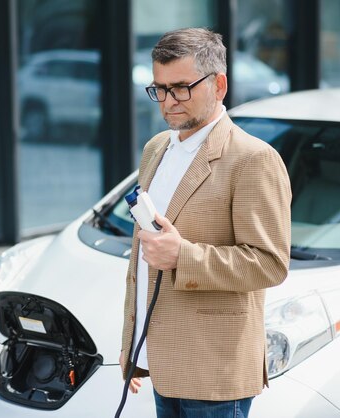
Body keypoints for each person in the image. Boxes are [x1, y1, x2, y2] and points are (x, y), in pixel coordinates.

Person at [119, 28, 292, 418]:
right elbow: (142, 261)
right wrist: (133, 343)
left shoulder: (253, 159)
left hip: (215, 372)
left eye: (181, 87)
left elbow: (270, 262)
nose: (168, 101)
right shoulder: (155, 149)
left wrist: (184, 256)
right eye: (159, 89)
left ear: (219, 84)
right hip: (163, 363)